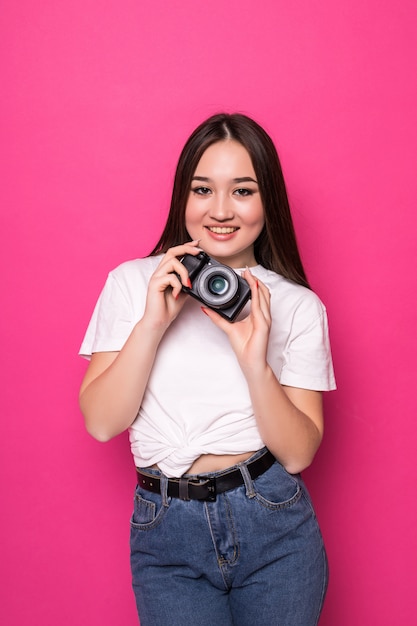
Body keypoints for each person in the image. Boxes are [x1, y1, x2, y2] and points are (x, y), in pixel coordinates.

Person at [79, 112, 336, 626]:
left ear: (269, 203)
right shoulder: (133, 283)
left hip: (273, 524)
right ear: (183, 196)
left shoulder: (297, 305)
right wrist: (152, 323)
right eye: (203, 189)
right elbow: (102, 422)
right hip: (165, 526)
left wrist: (252, 359)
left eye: (243, 190)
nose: (221, 210)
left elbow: (299, 451)